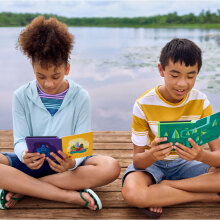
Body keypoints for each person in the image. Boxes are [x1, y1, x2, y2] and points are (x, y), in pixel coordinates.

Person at [0, 16, 120, 210]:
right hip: (30, 164)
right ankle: (69, 196)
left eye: (56, 76)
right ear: (32, 68)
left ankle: (23, 187)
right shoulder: (20, 95)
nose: (49, 83)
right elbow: (20, 140)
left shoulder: (81, 96)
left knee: (111, 166)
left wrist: (72, 162)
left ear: (67, 68)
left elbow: (81, 143)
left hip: (66, 167)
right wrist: (24, 154)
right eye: (41, 76)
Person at [121, 38, 220, 219]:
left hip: (188, 164)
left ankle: (166, 190)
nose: (182, 84)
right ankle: (203, 195)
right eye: (175, 75)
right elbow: (138, 162)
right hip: (153, 165)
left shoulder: (202, 101)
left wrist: (200, 156)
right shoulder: (143, 104)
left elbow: (218, 156)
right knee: (132, 193)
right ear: (161, 70)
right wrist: (152, 154)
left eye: (191, 76)